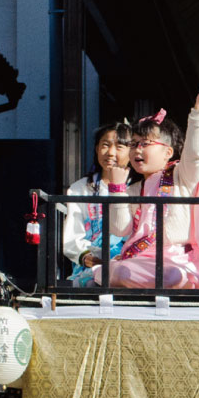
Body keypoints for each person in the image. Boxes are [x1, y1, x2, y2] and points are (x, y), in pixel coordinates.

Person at [93, 80, 199, 290]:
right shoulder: (132, 189)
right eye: (134, 144)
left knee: (169, 275)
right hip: (141, 261)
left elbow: (195, 153)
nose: (137, 150)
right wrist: (117, 189)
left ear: (168, 152)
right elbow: (120, 229)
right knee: (116, 271)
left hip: (181, 262)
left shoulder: (181, 175)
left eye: (145, 144)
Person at [61, 120, 134, 287]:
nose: (110, 153)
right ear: (96, 149)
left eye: (119, 147)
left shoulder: (137, 188)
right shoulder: (80, 188)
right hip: (91, 266)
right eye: (105, 145)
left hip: (130, 264)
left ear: (131, 152)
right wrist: (87, 257)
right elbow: (73, 234)